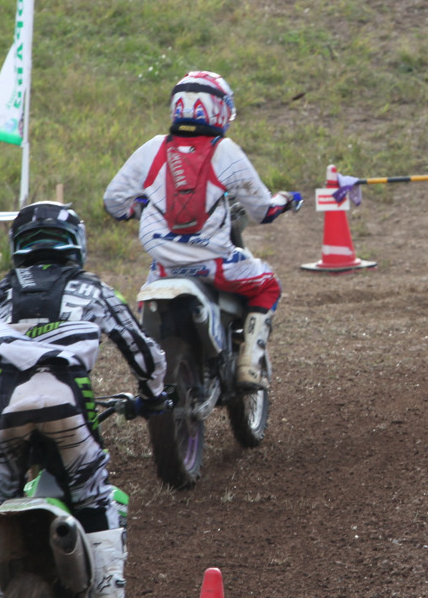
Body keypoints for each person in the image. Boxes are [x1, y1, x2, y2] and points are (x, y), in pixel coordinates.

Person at [0, 201, 168, 598]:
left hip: (5, 404)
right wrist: (154, 396)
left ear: (17, 248)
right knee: (93, 492)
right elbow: (142, 350)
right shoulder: (90, 288)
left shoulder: (1, 293)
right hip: (66, 397)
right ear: (76, 244)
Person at [103, 69, 301, 391]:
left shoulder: (153, 148)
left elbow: (113, 202)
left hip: (164, 270)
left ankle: (153, 379)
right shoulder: (225, 151)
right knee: (268, 284)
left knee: (146, 312)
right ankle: (250, 363)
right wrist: (287, 200)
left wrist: (136, 208)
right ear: (219, 109)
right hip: (215, 265)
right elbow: (262, 211)